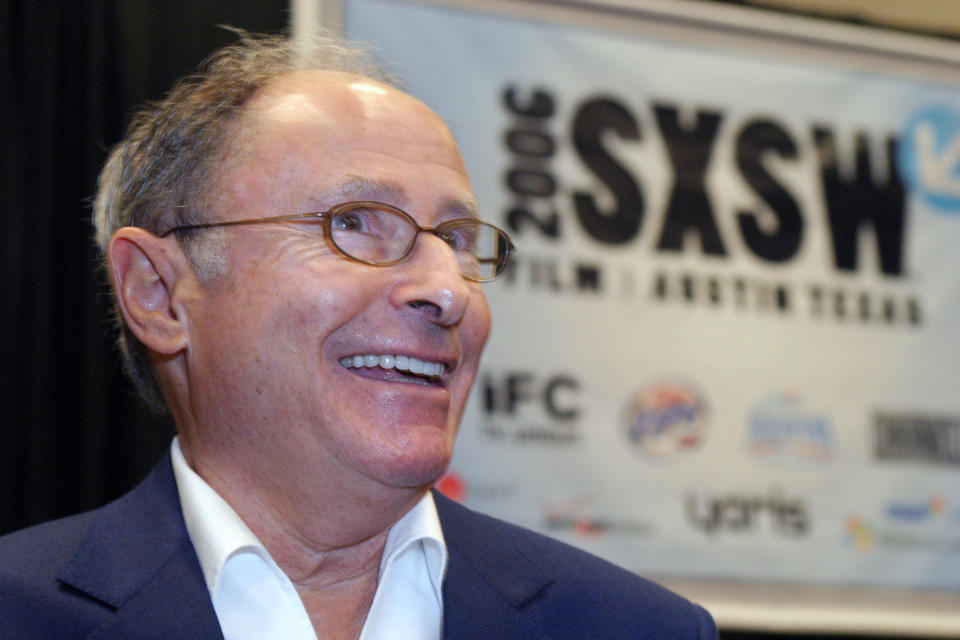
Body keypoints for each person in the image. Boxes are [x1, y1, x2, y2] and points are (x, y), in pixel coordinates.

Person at [0, 31, 717, 639]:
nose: (446, 289)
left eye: (461, 240)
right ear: (158, 293)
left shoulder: (631, 626)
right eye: (352, 224)